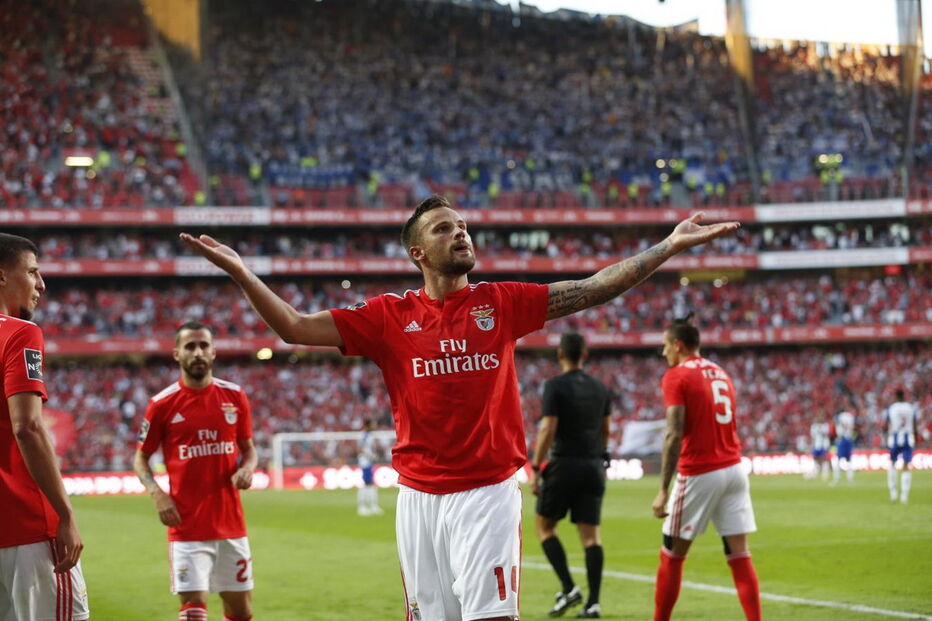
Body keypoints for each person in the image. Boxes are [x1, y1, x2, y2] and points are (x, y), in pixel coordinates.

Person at [181, 194, 738, 621]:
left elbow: (592, 287)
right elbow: (294, 327)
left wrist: (666, 247)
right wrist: (242, 273)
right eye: (444, 228)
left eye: (463, 225)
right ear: (418, 252)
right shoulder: (387, 317)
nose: (461, 233)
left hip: (486, 491)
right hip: (418, 498)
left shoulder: (502, 302)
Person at [134, 322, 258, 621]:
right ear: (177, 354)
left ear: (214, 352)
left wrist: (248, 468)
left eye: (204, 346)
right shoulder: (161, 405)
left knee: (241, 613)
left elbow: (250, 450)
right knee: (193, 613)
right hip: (187, 528)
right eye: (190, 346)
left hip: (231, 526)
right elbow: (140, 460)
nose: (198, 352)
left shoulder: (235, 396)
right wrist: (157, 494)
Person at [0, 233, 90, 620]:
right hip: (28, 527)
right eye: (33, 272)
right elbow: (29, 428)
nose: (41, 284)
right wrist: (66, 515)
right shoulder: (20, 332)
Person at [651, 316, 761, 621]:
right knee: (739, 555)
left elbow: (674, 432)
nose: (663, 354)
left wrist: (662, 490)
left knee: (672, 553)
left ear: (678, 344)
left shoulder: (677, 375)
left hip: (700, 471)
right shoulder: (720, 372)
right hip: (735, 469)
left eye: (664, 346)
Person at [529, 333, 611, 619]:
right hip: (593, 466)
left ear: (560, 355)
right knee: (591, 538)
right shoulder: (601, 387)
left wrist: (537, 466)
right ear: (584, 355)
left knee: (545, 527)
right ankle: (594, 603)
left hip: (564, 465)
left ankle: (568, 587)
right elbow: (605, 427)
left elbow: (548, 428)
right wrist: (603, 453)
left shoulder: (555, 386)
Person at [884, 389, 919, 504]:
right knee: (906, 465)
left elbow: (885, 425)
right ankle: (904, 496)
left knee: (893, 463)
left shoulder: (892, 408)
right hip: (908, 437)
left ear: (895, 396)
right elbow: (914, 425)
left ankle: (893, 494)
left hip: (895, 437)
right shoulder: (910, 408)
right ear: (904, 395)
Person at [357, 418, 384, 516]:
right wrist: (370, 455)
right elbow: (360, 449)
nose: (374, 426)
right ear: (368, 425)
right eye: (372, 425)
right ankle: (363, 506)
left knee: (369, 483)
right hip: (365, 462)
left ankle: (371, 506)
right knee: (368, 483)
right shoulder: (363, 436)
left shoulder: (369, 436)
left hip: (369, 462)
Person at [832, 406, 857, 485]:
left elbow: (837, 423)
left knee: (838, 459)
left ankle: (837, 479)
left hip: (842, 439)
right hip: (849, 439)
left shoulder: (839, 416)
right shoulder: (850, 416)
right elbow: (853, 427)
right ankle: (850, 478)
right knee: (849, 459)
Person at [806, 412, 832, 481]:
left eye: (821, 417)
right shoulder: (814, 426)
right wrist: (811, 446)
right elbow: (813, 437)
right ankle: (815, 474)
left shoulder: (825, 425)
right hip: (817, 445)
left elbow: (827, 434)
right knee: (815, 459)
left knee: (825, 460)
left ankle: (825, 475)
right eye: (819, 417)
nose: (820, 418)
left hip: (824, 445)